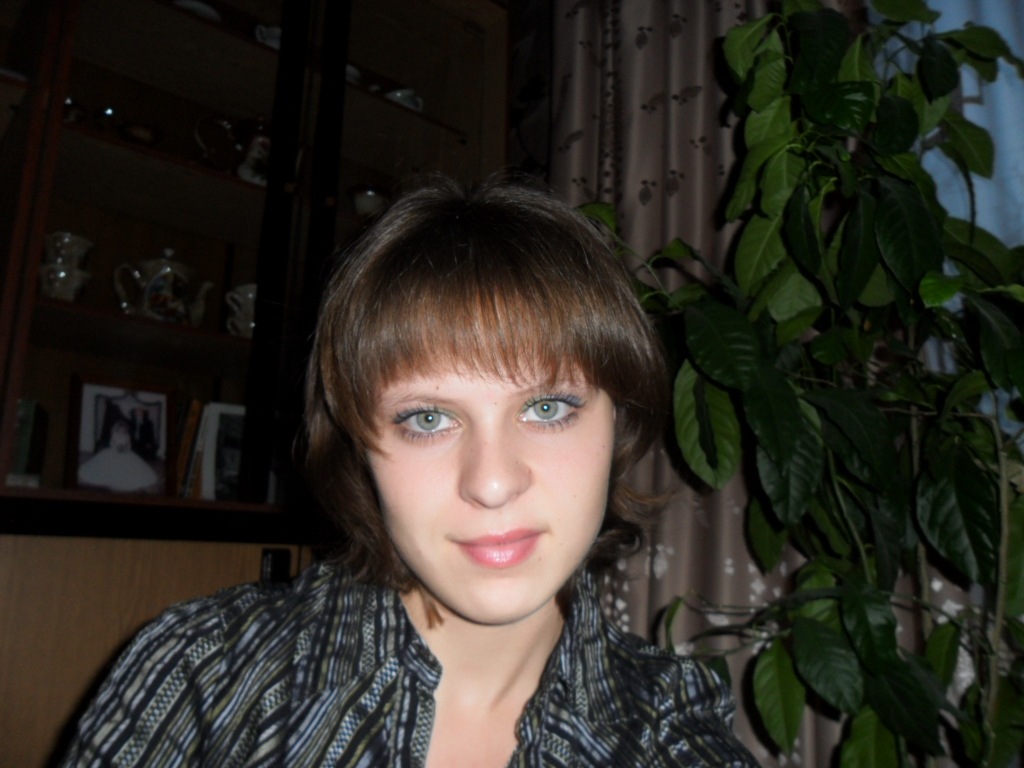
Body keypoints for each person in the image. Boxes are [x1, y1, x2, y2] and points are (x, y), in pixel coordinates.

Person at [60, 177, 759, 766]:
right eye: (427, 418)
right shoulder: (202, 675)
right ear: (358, 447)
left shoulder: (671, 730)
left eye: (547, 408)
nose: (491, 483)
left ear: (619, 423)